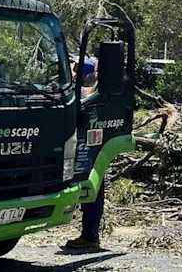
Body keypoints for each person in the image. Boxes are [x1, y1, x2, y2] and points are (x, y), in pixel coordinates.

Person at [65, 57, 105, 250]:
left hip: (82, 147)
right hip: (86, 146)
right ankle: (90, 234)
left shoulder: (78, 91)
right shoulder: (91, 90)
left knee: (91, 188)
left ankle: (90, 235)